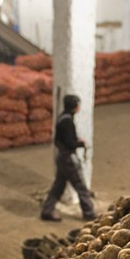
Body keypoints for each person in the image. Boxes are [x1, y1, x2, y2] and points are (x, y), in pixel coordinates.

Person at [40, 94, 96, 222]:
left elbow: (61, 140)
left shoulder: (62, 118)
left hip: (61, 158)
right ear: (75, 107)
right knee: (81, 186)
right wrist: (81, 143)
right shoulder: (68, 121)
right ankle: (89, 213)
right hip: (69, 159)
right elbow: (70, 143)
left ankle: (47, 210)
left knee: (58, 186)